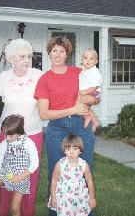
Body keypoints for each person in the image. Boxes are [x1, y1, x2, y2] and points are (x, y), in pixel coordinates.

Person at [34, 37, 98, 216]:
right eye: (54, 50)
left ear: (67, 53)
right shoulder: (44, 79)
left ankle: (85, 212)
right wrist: (74, 109)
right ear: (49, 53)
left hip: (81, 126)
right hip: (57, 129)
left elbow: (96, 95)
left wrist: (90, 101)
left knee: (85, 171)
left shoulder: (79, 73)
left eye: (61, 51)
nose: (58, 54)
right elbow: (44, 114)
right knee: (56, 173)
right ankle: (55, 212)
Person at [0, 38, 43, 216]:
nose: (27, 60)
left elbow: (55, 93)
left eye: (29, 56)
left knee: (29, 178)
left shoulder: (38, 75)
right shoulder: (4, 78)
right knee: (6, 174)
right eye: (22, 56)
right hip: (8, 136)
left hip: (33, 135)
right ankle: (2, 210)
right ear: (11, 59)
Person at [0, 115, 39, 216]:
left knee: (14, 208)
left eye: (11, 136)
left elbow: (35, 163)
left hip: (22, 177)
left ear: (19, 133)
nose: (7, 139)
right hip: (6, 173)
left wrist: (22, 177)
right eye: (5, 135)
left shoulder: (28, 143)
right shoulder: (4, 144)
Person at [49, 134, 96, 216]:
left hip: (79, 195)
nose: (71, 152)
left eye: (75, 149)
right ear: (64, 150)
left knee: (78, 212)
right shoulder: (60, 164)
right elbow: (54, 180)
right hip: (64, 196)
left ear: (80, 150)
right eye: (68, 149)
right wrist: (53, 197)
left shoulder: (84, 165)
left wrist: (92, 198)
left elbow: (89, 181)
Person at [79, 48, 102, 132]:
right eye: (85, 58)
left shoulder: (94, 72)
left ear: (96, 61)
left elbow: (96, 85)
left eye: (91, 59)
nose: (88, 60)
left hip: (92, 93)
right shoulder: (85, 70)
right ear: (82, 60)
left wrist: (86, 92)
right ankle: (91, 119)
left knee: (79, 102)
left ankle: (92, 119)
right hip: (87, 93)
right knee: (82, 106)